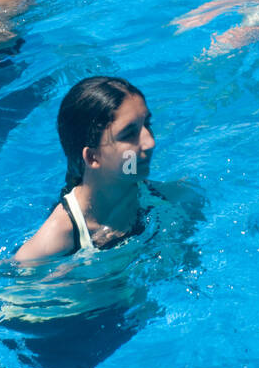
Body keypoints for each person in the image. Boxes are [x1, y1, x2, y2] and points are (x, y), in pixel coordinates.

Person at [14, 77, 156, 261]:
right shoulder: (55, 240)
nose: (150, 142)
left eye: (147, 125)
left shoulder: (147, 191)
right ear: (92, 157)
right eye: (129, 134)